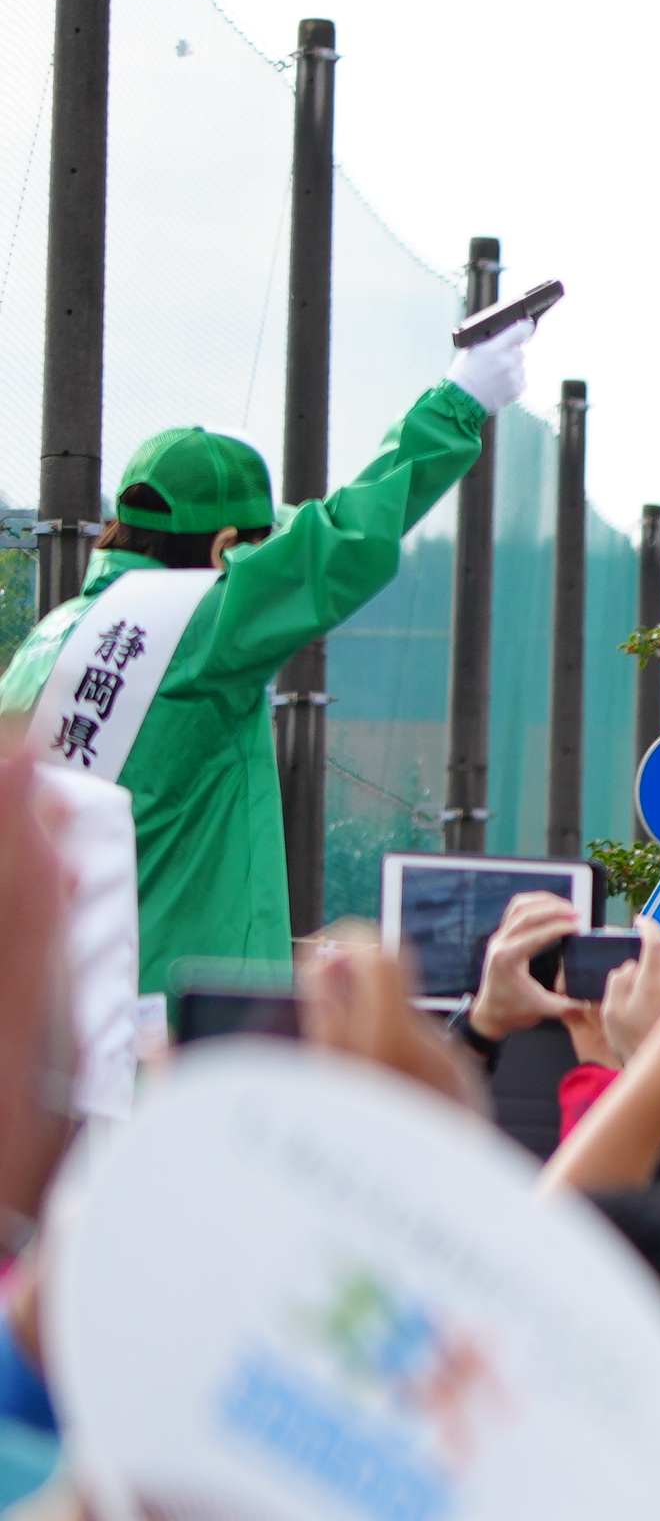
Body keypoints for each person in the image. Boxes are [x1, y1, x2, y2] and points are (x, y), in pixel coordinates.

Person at [4, 301, 521, 1009]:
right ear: (225, 548)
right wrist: (460, 402)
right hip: (179, 1027)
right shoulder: (195, 626)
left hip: (62, 1022)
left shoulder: (53, 636)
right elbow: (340, 541)